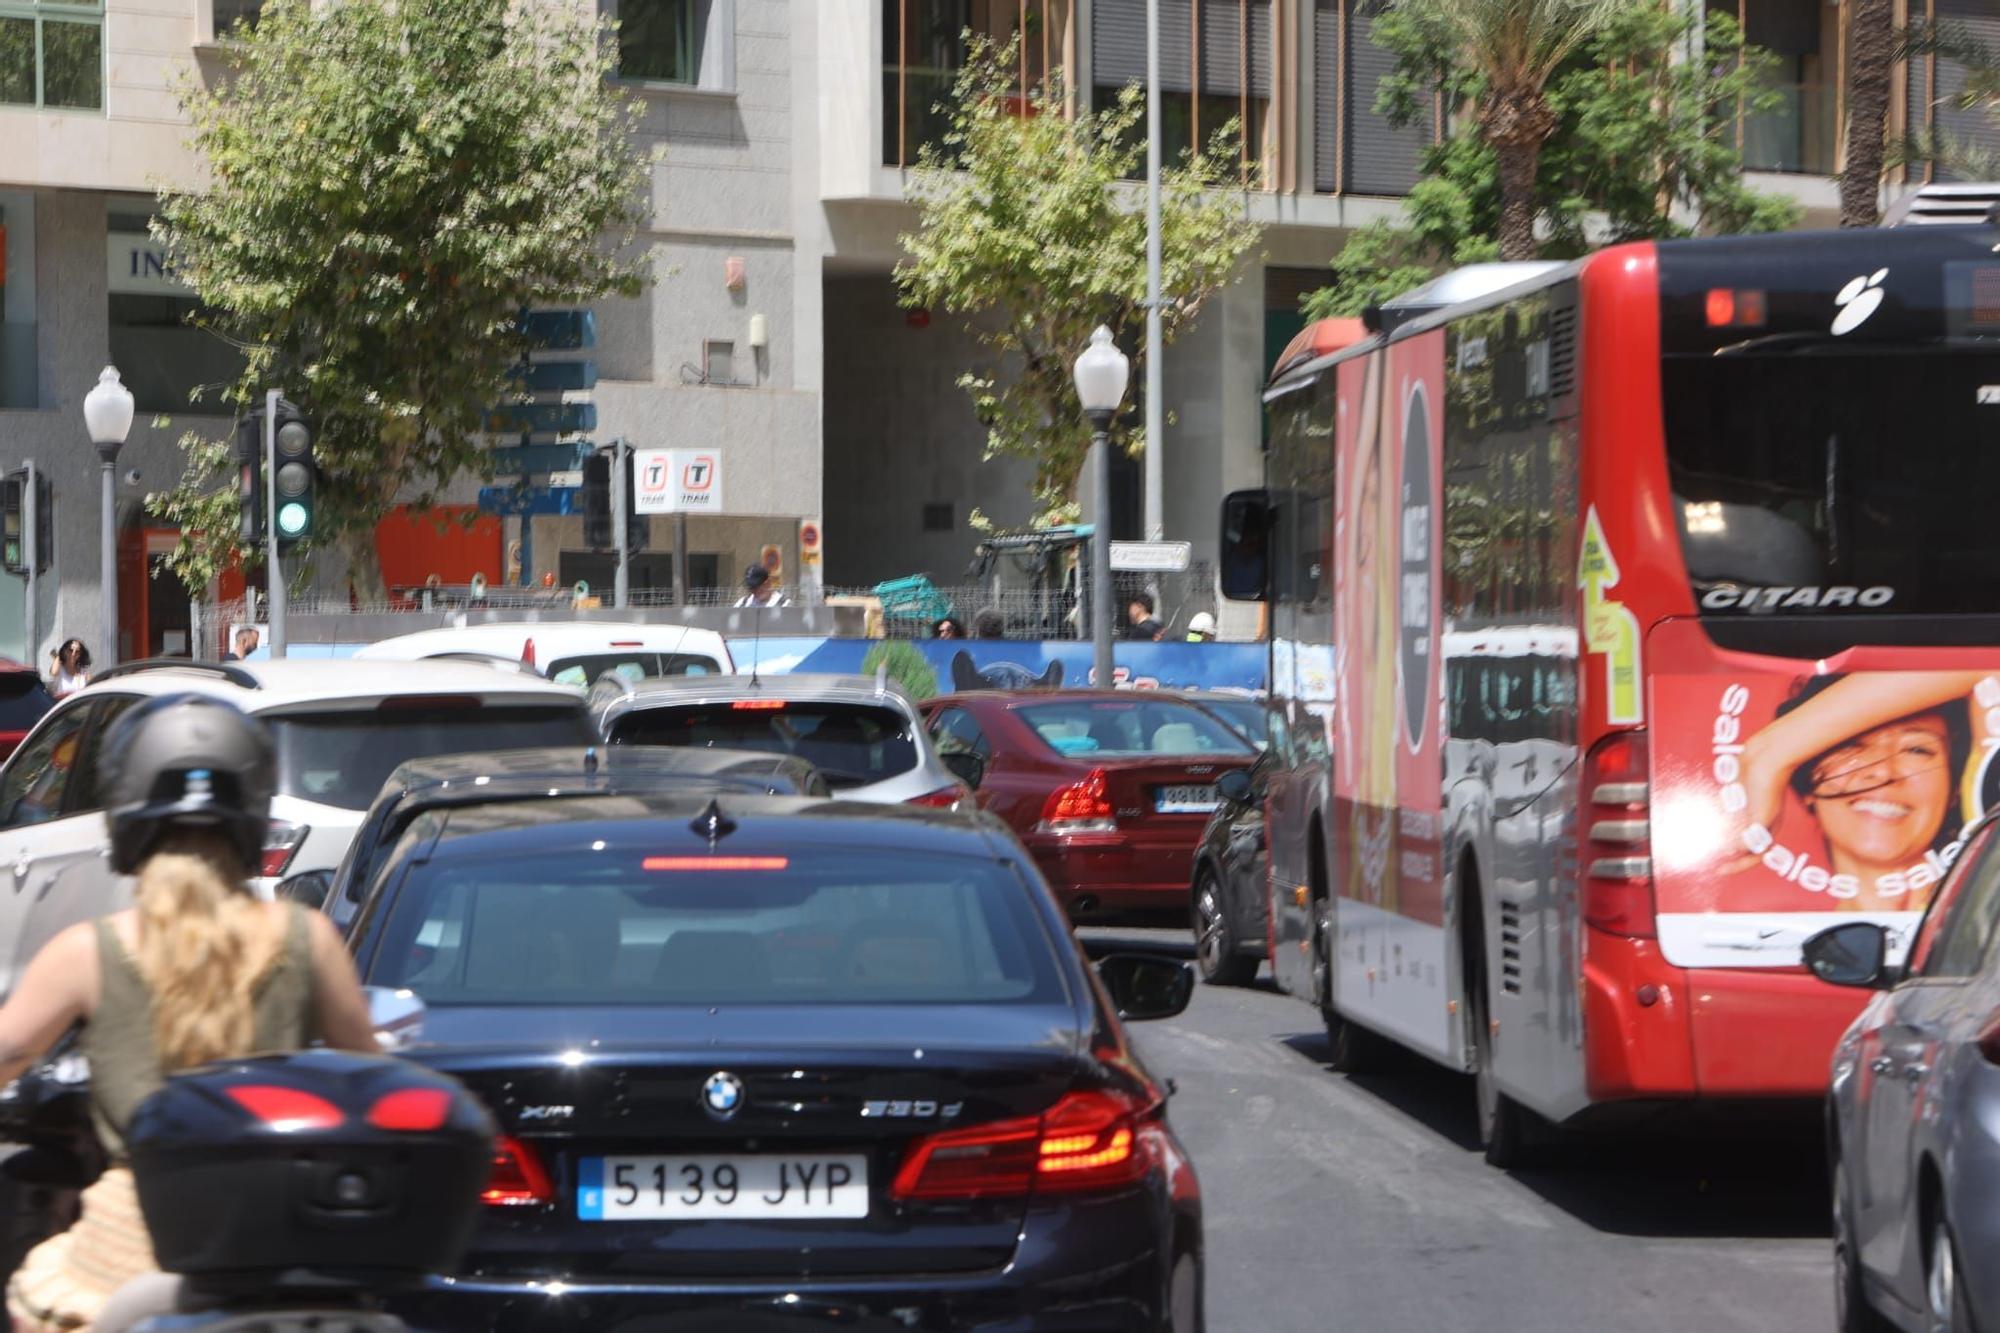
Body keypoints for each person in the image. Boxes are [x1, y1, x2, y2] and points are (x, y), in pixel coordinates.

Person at [0, 694, 376, 1331]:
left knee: (35, 1297)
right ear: (252, 815)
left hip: (131, 1254)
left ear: (126, 819)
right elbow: (368, 1080)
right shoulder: (307, 938)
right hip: (279, 1247)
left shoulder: (87, 953)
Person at [1730, 671, 1992, 912]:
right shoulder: (1777, 943)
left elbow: (1986, 664)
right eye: (1852, 746)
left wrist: (1771, 752)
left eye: (1917, 750)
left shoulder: (1990, 888)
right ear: (1808, 784)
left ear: (1956, 788)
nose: (1882, 772)